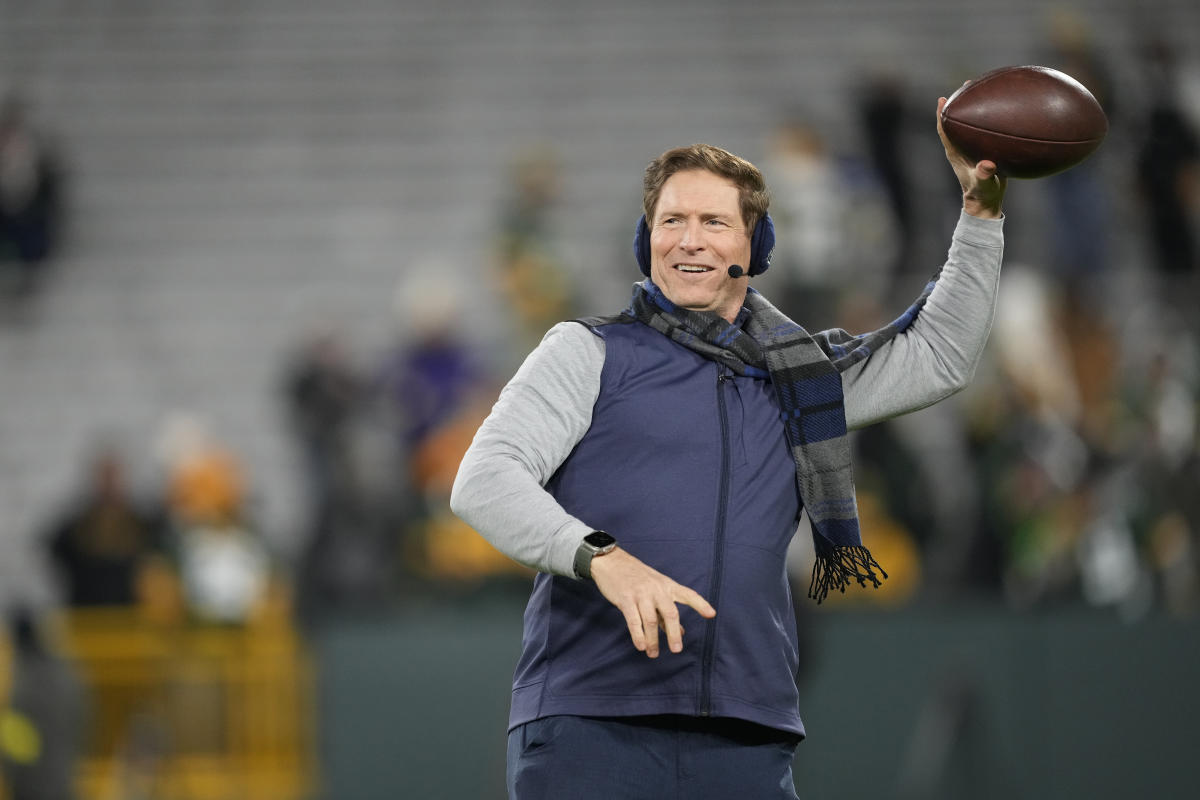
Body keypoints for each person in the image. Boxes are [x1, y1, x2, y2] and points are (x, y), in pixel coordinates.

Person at [450, 97, 1006, 799]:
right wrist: (604, 560)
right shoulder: (587, 352)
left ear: (755, 246)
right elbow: (483, 479)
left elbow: (941, 355)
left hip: (746, 733)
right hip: (591, 725)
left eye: (714, 222)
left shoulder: (798, 376)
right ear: (645, 239)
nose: (689, 239)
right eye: (670, 221)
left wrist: (980, 219)